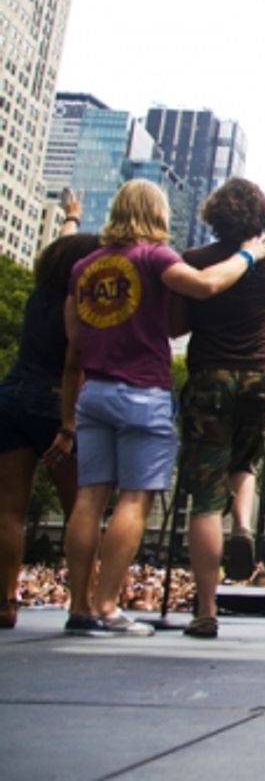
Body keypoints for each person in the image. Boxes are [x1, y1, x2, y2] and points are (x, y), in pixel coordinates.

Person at [46, 179, 265, 637]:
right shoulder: (154, 257)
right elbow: (207, 285)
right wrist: (249, 255)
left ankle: (79, 607)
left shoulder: (84, 268)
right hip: (142, 393)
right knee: (134, 498)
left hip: (94, 392)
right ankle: (107, 606)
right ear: (156, 214)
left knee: (89, 498)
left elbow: (74, 343)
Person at [176, 118, 265, 640]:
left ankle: (206, 609)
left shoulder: (196, 260)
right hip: (261, 375)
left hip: (209, 377)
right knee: (245, 462)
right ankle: (245, 526)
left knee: (205, 496)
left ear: (213, 216)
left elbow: (176, 323)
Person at [0, 190, 96, 629]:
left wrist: (71, 217)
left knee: (8, 510)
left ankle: (5, 602)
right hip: (57, 403)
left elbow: (58, 248)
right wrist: (70, 426)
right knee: (81, 508)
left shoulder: (39, 292)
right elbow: (76, 366)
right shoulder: (81, 305)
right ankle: (84, 602)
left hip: (11, 395)